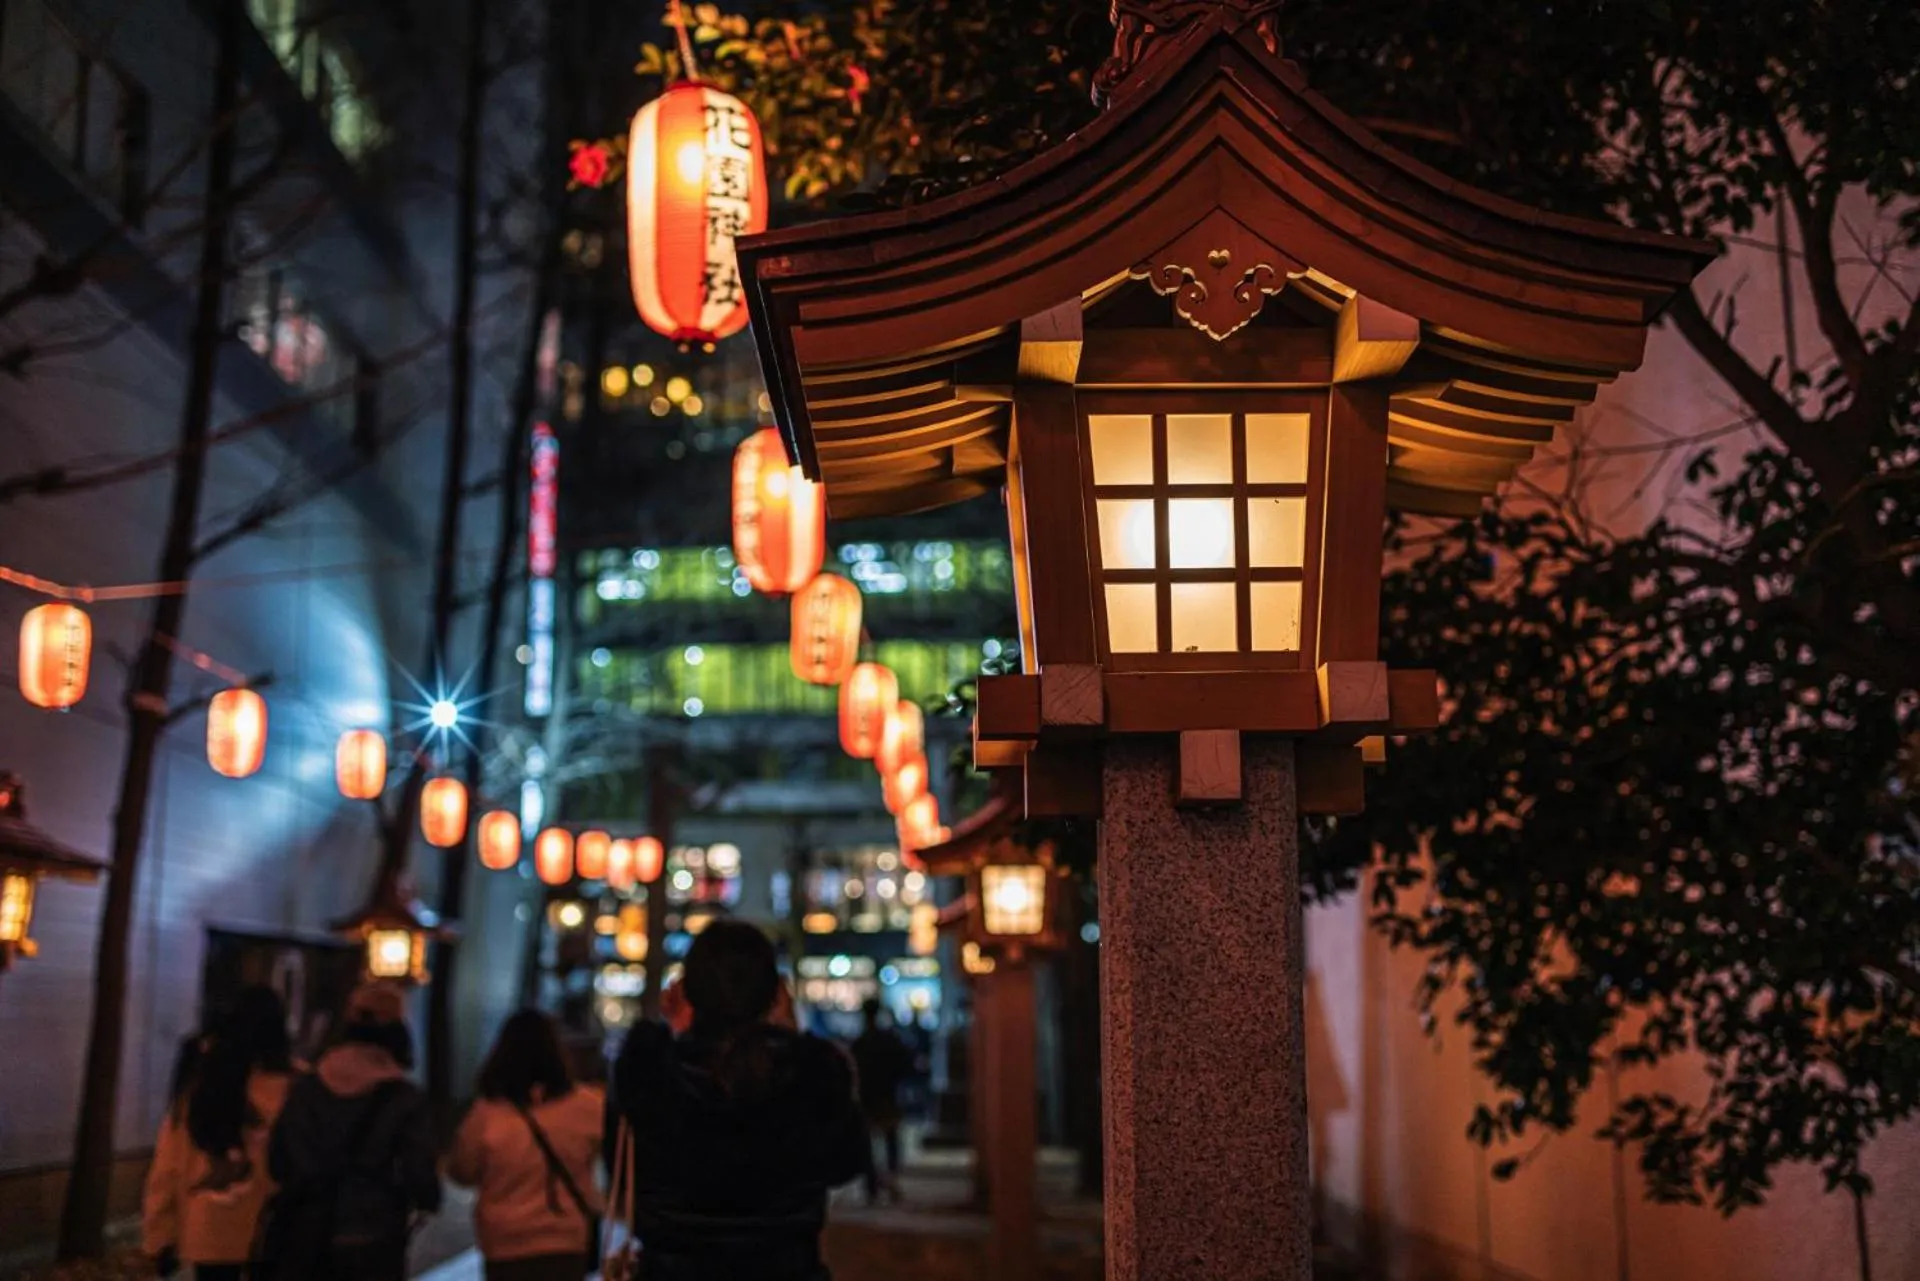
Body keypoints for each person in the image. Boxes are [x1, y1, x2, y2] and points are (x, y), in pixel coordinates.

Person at [611, 921, 867, 1280]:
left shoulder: (650, 1076)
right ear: (775, 993)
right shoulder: (809, 1077)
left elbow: (622, 1173)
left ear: (687, 990)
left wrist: (676, 1034)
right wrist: (792, 1039)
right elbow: (846, 1163)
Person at [263, 981, 440, 1281]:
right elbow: (418, 1170)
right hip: (374, 1232)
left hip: (307, 1230)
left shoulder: (307, 1088)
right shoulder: (404, 1098)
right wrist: (425, 1200)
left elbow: (278, 1161)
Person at [143, 986, 297, 1279]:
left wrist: (160, 1234)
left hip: (209, 1231)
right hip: (275, 1228)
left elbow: (169, 1165)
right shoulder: (297, 1088)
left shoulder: (203, 1089)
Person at [448, 1011, 605, 1281]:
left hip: (505, 1241)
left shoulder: (487, 1114)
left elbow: (463, 1171)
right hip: (567, 1239)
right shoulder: (589, 1106)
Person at [849, 999, 913, 1204]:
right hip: (887, 1096)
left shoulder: (860, 1042)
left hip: (867, 1098)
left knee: (867, 1146)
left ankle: (872, 1188)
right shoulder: (888, 1039)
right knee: (890, 1142)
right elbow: (904, 1065)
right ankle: (891, 1181)